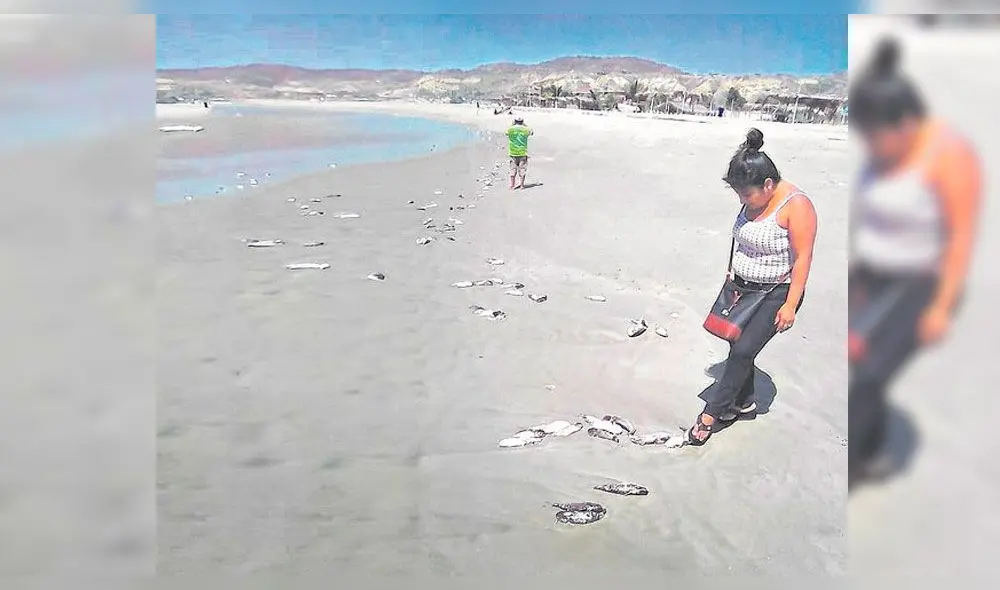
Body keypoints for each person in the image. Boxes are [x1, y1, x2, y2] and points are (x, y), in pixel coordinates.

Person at [848, 39, 981, 488]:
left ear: (906, 124)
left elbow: (962, 236)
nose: (872, 147)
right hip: (872, 272)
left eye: (877, 137)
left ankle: (860, 464)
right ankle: (872, 438)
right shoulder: (880, 149)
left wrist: (941, 308)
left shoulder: (949, 154)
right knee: (852, 356)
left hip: (920, 282)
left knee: (870, 373)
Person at [687, 128, 818, 445]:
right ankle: (743, 402)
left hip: (778, 291)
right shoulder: (753, 196)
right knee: (736, 346)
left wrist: (790, 305)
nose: (742, 200)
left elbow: (803, 259)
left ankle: (711, 414)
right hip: (743, 288)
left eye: (746, 194)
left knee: (744, 350)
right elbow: (744, 237)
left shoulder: (796, 206)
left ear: (769, 185)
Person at [506, 117, 533, 190]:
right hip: (522, 152)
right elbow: (531, 132)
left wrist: (512, 125)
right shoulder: (525, 129)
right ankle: (521, 185)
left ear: (515, 121)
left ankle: (512, 185)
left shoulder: (510, 129)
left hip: (513, 152)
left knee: (512, 170)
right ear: (522, 122)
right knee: (522, 169)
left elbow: (506, 133)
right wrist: (525, 125)